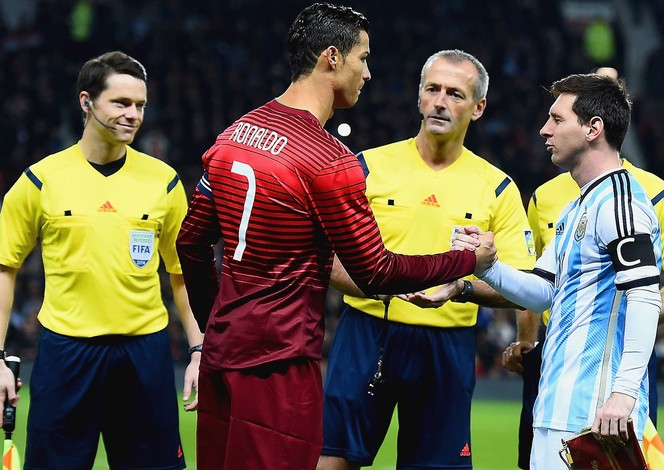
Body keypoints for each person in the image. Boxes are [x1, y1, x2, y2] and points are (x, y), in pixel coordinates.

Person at [174, 5, 481, 470]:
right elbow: (376, 271)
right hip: (279, 363)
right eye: (363, 58)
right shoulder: (328, 160)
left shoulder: (233, 135)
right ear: (333, 58)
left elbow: (190, 245)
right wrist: (465, 260)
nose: (368, 72)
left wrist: (214, 327)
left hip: (222, 358)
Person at [318, 49, 535, 470]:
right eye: (432, 89)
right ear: (419, 97)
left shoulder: (497, 188)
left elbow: (522, 281)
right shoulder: (366, 167)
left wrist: (462, 287)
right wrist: (381, 283)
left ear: (478, 108)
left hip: (447, 344)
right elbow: (324, 255)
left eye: (455, 93)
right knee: (332, 461)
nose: (440, 101)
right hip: (367, 332)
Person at [0, 50, 204, 470]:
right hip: (66, 353)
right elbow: (5, 267)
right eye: (121, 103)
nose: (133, 114)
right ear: (86, 102)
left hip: (145, 352)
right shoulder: (40, 181)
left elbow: (183, 274)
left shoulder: (164, 182)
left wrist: (200, 349)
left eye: (140, 105)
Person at [502, 68, 664, 470]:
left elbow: (643, 296)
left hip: (598, 413)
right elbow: (541, 291)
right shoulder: (576, 207)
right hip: (556, 404)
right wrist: (483, 267)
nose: (543, 130)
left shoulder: (622, 204)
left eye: (556, 119)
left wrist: (624, 393)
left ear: (593, 129)